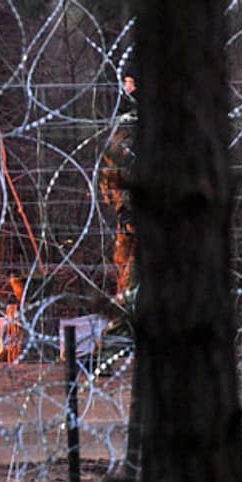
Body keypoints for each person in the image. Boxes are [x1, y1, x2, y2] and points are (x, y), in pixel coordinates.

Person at [99, 68, 137, 306]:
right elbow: (109, 171)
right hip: (126, 214)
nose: (127, 88)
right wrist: (118, 207)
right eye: (125, 83)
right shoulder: (121, 127)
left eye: (131, 83)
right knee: (123, 267)